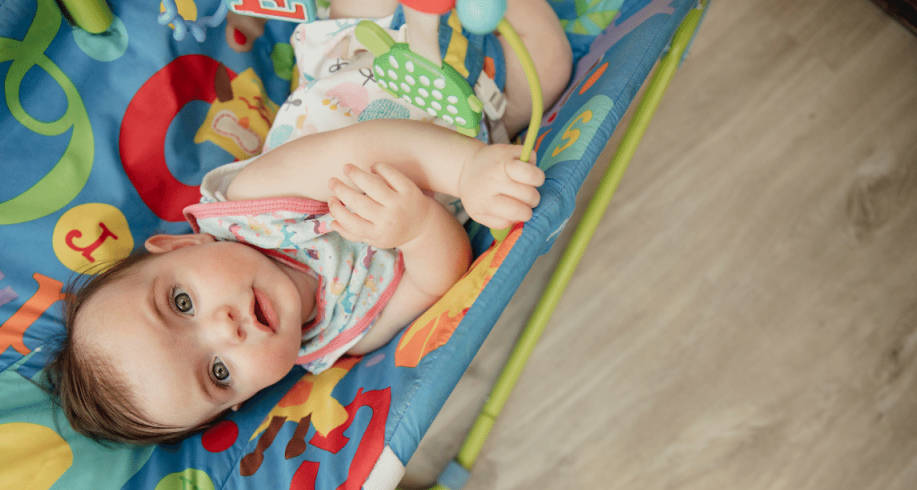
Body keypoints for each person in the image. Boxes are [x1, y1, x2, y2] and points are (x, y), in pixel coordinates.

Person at [48, 0, 572, 444]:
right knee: (550, 66)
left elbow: (364, 146)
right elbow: (437, 278)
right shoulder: (343, 335)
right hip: (477, 117)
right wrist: (417, 230)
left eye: (182, 303)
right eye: (219, 373)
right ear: (239, 402)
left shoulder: (255, 204)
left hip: (371, 54)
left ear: (178, 247)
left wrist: (465, 171)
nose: (224, 331)